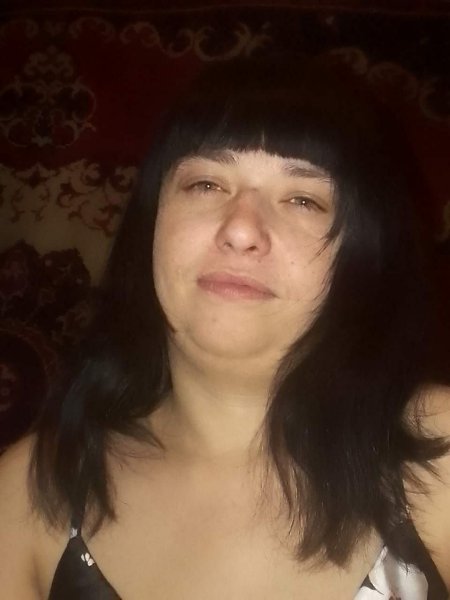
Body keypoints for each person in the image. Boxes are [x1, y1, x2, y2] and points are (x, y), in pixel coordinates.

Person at [0, 56, 449, 599]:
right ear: (151, 224)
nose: (240, 229)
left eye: (302, 199)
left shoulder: (439, 453)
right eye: (206, 184)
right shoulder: (28, 493)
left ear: (361, 257)